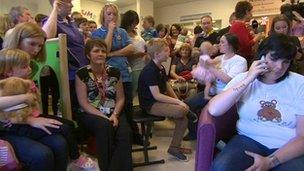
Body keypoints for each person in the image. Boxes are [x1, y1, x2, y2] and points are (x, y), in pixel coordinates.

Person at [209, 33, 304, 171]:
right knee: (221, 167)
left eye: (286, 62)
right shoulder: (245, 78)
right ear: (262, 55)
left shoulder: (299, 83)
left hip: (287, 145)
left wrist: (270, 162)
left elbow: (302, 136)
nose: (279, 67)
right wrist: (249, 79)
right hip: (248, 139)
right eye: (274, 58)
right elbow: (214, 109)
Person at [0, 49, 69, 171]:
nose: (36, 49)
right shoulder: (4, 85)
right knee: (42, 155)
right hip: (9, 128)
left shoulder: (26, 82)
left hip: (25, 120)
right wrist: (25, 99)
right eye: (25, 66)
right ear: (9, 72)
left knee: (59, 143)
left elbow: (36, 105)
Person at [75, 39, 132, 171]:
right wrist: (103, 116)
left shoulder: (115, 72)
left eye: (103, 51)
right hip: (90, 113)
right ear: (88, 55)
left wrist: (115, 115)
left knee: (125, 134)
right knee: (104, 126)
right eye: (96, 51)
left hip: (114, 111)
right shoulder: (81, 74)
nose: (100, 54)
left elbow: (121, 98)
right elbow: (83, 103)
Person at [184, 33, 247, 141]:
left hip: (225, 95)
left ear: (231, 45)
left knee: (211, 113)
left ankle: (214, 138)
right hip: (212, 91)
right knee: (189, 103)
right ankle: (193, 132)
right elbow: (208, 75)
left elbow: (229, 80)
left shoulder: (240, 61)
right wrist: (200, 75)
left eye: (222, 42)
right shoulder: (219, 58)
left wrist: (211, 68)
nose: (219, 45)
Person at [138, 38, 191, 161]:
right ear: (157, 54)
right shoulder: (150, 70)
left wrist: (178, 100)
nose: (169, 52)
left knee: (183, 118)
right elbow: (157, 96)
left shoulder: (160, 67)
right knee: (181, 111)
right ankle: (175, 147)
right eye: (166, 51)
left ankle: (174, 147)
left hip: (157, 101)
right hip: (150, 105)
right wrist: (178, 102)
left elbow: (167, 85)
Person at [91, 3, 136, 144]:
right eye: (109, 14)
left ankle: (131, 136)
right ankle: (115, 135)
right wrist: (110, 31)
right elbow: (104, 49)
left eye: (114, 14)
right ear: (103, 16)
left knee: (128, 105)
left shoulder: (122, 31)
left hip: (125, 73)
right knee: (112, 106)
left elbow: (131, 49)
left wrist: (111, 54)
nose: (112, 16)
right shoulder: (97, 33)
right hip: (107, 76)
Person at [3, 22, 59, 116]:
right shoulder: (4, 61)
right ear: (18, 40)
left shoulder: (33, 66)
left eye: (40, 46)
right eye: (32, 44)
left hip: (25, 112)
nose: (36, 50)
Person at [43, 0, 89, 113]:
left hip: (82, 70)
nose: (72, 5)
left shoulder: (71, 22)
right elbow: (47, 36)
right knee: (72, 108)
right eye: (68, 2)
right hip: (69, 74)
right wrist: (55, 8)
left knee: (84, 105)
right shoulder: (51, 21)